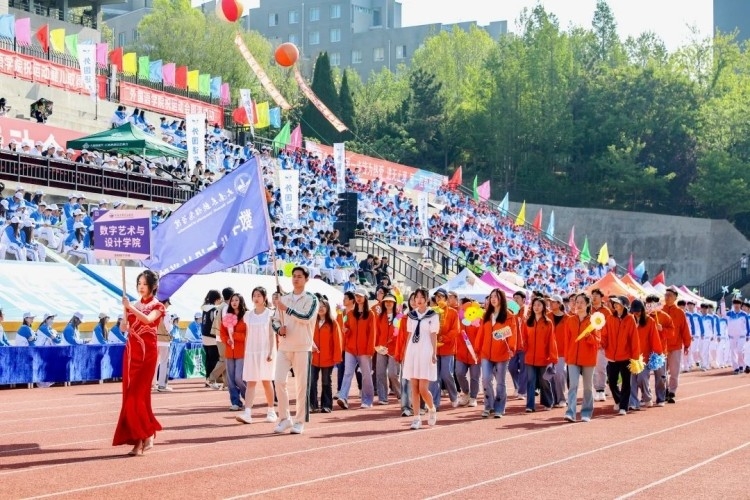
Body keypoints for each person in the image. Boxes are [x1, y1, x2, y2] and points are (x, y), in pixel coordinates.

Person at [113, 269, 165, 456]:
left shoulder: (158, 306)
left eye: (144, 284)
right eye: (139, 284)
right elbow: (124, 328)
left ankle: (143, 437)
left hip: (147, 354)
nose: (141, 287)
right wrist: (124, 318)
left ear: (153, 286)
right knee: (130, 397)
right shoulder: (133, 304)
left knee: (137, 396)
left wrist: (130, 308)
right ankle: (143, 436)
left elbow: (148, 320)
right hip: (131, 353)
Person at [272, 267, 319, 435]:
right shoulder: (284, 299)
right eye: (294, 276)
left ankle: (299, 421)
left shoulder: (311, 299)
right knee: (279, 381)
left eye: (299, 276)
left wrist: (287, 309)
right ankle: (284, 418)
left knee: (301, 385)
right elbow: (275, 320)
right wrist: (279, 329)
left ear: (306, 279)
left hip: (302, 347)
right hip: (284, 346)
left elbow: (306, 317)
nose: (296, 279)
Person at [236, 287, 277, 424]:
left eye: (259, 295)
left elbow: (271, 334)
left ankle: (271, 411)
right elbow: (247, 334)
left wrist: (271, 351)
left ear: (264, 298)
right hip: (251, 351)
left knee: (266, 381)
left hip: (265, 351)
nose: (256, 298)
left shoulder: (270, 314)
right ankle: (247, 413)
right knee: (251, 382)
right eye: (254, 295)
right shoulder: (248, 315)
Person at [475, 288, 517, 419]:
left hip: (502, 354)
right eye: (491, 296)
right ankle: (488, 406)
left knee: (500, 382)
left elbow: (513, 334)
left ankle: (499, 408)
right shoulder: (486, 315)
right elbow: (481, 333)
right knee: (486, 379)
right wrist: (477, 349)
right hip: (486, 353)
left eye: (496, 296)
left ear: (501, 299)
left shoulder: (509, 316)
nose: (493, 299)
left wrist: (511, 348)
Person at [402, 287, 440, 429]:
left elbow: (433, 334)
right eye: (416, 297)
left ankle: (431, 408)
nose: (418, 300)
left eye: (421, 297)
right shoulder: (411, 315)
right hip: (413, 351)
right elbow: (409, 334)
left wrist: (434, 353)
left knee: (423, 388)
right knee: (414, 388)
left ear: (427, 299)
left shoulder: (433, 315)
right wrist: (406, 353)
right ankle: (416, 418)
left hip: (426, 350)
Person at [563, 294, 600, 423]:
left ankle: (586, 412)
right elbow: (567, 340)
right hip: (572, 358)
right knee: (572, 385)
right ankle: (570, 413)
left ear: (587, 304)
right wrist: (567, 356)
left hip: (588, 358)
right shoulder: (570, 320)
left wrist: (589, 336)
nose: (578, 305)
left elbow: (598, 341)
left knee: (588, 387)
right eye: (576, 302)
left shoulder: (593, 321)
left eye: (581, 302)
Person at [337, 287, 376, 409]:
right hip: (350, 349)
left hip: (364, 350)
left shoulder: (370, 314)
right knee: (347, 373)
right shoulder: (349, 314)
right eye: (356, 296)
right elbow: (347, 329)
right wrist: (346, 331)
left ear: (365, 298)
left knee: (366, 375)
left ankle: (367, 400)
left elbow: (372, 333)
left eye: (360, 296)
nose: (358, 298)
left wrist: (370, 350)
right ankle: (343, 397)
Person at [602, 296, 640, 416]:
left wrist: (635, 356)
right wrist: (602, 344)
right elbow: (605, 334)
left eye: (617, 303)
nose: (615, 305)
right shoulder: (610, 318)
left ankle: (623, 406)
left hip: (626, 356)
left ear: (624, 305)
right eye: (614, 303)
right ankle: (618, 400)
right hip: (612, 356)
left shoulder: (630, 319)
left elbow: (634, 338)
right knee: (612, 381)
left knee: (626, 382)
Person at [522, 297, 558, 412]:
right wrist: (523, 346)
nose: (536, 307)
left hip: (544, 358)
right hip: (530, 358)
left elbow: (551, 341)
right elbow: (524, 337)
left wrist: (552, 358)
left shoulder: (548, 323)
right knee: (530, 381)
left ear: (543, 307)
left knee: (544, 381)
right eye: (534, 305)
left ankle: (548, 402)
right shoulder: (528, 321)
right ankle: (530, 405)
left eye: (539, 305)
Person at [628, 300, 662, 410]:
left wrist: (657, 352)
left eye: (638, 311)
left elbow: (654, 337)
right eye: (634, 311)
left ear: (642, 310)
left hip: (645, 356)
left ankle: (647, 397)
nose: (636, 313)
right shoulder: (629, 320)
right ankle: (633, 402)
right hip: (631, 355)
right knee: (632, 381)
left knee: (642, 378)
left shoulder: (650, 321)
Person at [310, 298, 342, 413]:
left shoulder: (333, 323)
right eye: (319, 306)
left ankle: (327, 405)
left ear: (327, 308)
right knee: (312, 381)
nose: (321, 308)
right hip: (313, 358)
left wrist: (337, 357)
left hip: (327, 358)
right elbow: (307, 336)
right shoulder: (312, 322)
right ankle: (312, 405)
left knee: (326, 382)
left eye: (323, 306)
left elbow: (337, 341)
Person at [430, 288, 460, 409]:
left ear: (446, 299)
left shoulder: (453, 312)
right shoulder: (432, 312)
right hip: (434, 348)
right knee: (434, 376)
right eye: (437, 297)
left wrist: (444, 338)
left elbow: (456, 330)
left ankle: (454, 396)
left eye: (441, 296)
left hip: (448, 348)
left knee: (446, 374)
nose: (439, 299)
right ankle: (435, 403)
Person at [662, 287, 691, 403]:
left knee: (674, 371)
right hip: (662, 347)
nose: (667, 297)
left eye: (669, 295)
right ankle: (664, 390)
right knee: (662, 372)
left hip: (675, 346)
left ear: (675, 298)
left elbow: (684, 329)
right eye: (666, 295)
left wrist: (687, 344)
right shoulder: (660, 311)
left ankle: (672, 392)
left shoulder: (679, 313)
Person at [221, 293, 249, 412]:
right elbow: (222, 332)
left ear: (241, 301)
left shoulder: (246, 317)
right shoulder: (227, 317)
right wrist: (227, 339)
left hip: (241, 351)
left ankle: (248, 397)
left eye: (236, 300)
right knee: (230, 380)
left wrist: (235, 335)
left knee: (239, 378)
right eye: (232, 300)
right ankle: (235, 402)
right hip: (229, 351)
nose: (234, 302)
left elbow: (248, 335)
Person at [375, 293, 400, 405]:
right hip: (381, 348)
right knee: (380, 373)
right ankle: (382, 397)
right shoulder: (380, 317)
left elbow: (401, 333)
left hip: (394, 349)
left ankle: (401, 394)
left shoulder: (399, 317)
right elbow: (376, 332)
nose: (388, 303)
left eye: (391, 301)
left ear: (394, 303)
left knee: (393, 374)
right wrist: (376, 346)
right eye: (386, 301)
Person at [201, 289, 223, 389]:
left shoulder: (204, 308)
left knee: (208, 359)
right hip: (212, 337)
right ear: (216, 299)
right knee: (214, 359)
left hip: (204, 336)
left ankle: (207, 379)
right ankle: (212, 381)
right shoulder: (214, 309)